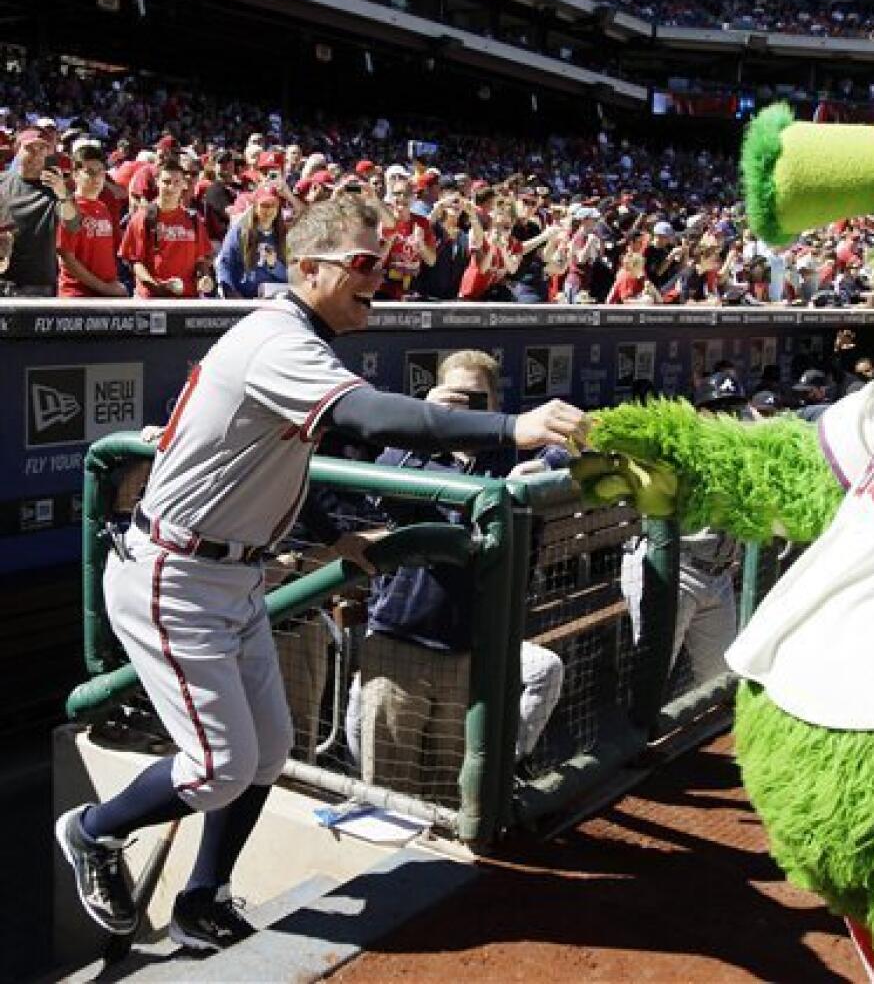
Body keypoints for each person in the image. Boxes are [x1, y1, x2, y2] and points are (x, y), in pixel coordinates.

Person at [55, 196, 586, 953]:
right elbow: (369, 418)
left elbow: (269, 462)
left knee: (268, 754)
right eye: (365, 265)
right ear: (308, 268)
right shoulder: (278, 339)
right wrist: (509, 427)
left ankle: (202, 896)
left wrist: (334, 533)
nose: (383, 276)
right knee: (219, 764)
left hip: (229, 572)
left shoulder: (295, 337)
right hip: (174, 574)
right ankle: (92, 827)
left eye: (387, 262)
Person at [350, 350, 564, 794]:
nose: (465, 406)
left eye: (476, 397)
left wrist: (541, 470)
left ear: (495, 401)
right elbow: (374, 487)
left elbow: (578, 454)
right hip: (400, 641)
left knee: (455, 786)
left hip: (472, 649)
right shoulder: (414, 454)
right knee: (389, 787)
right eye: (456, 396)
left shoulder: (507, 457)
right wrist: (424, 421)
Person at [621, 372, 745, 694]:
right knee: (652, 675)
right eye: (716, 409)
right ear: (698, 411)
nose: (726, 417)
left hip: (717, 578)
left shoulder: (741, 453)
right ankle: (640, 741)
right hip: (673, 570)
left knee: (720, 680)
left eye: (733, 409)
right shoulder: (677, 447)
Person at [119, 157, 214, 298]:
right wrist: (157, 288)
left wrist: (203, 277)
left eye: (176, 182)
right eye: (166, 182)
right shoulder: (143, 217)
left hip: (187, 299)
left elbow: (200, 259)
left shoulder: (193, 219)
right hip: (152, 299)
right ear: (157, 182)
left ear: (184, 185)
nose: (171, 187)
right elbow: (135, 261)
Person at [0, 127, 79, 294]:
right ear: (17, 149)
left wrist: (63, 194)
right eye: (29, 148)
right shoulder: (2, 182)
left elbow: (73, 224)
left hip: (37, 284)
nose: (36, 154)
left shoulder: (55, 188)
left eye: (42, 148)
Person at [57, 144, 126, 298]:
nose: (96, 178)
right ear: (75, 175)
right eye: (89, 172)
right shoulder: (68, 207)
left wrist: (112, 284)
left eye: (101, 172)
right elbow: (67, 259)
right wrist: (105, 289)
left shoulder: (103, 207)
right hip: (78, 296)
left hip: (106, 293)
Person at [214, 186, 288, 298]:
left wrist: (274, 265)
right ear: (255, 207)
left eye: (273, 205)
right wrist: (230, 291)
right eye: (264, 205)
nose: (268, 210)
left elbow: (292, 276)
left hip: (274, 300)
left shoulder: (284, 235)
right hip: (243, 298)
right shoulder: (240, 231)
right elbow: (225, 263)